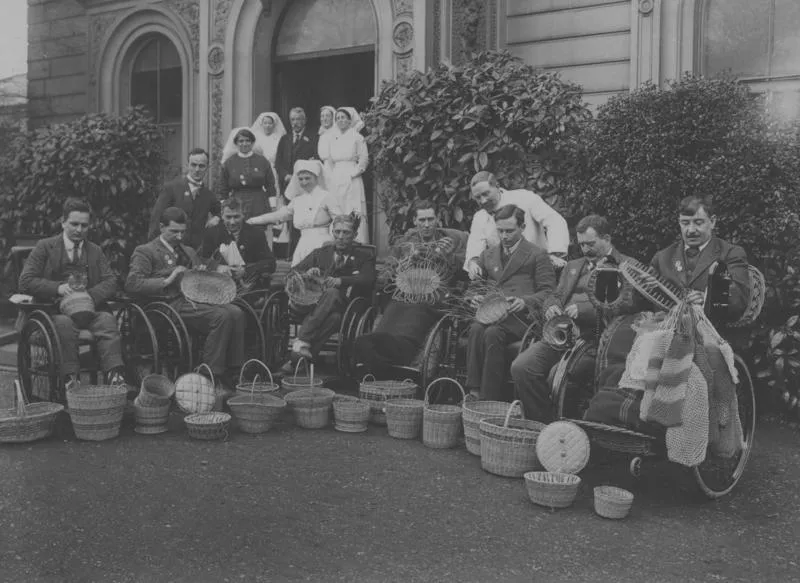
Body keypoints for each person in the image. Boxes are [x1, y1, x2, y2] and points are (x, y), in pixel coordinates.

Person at [511, 215, 638, 422]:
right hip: (562, 335)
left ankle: (564, 427)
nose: (585, 250)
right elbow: (556, 295)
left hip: (597, 340)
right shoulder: (574, 265)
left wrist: (584, 310)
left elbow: (628, 304)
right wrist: (551, 306)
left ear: (607, 238)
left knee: (560, 377)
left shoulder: (627, 266)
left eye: (591, 243)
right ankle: (543, 423)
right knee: (522, 367)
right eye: (581, 244)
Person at [127, 207, 245, 391]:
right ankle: (210, 375)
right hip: (167, 304)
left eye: (182, 232)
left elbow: (198, 276)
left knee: (236, 312)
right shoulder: (146, 251)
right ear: (161, 227)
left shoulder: (188, 251)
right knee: (221, 316)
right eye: (174, 231)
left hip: (192, 300)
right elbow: (133, 284)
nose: (180, 237)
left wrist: (208, 271)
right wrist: (167, 280)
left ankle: (234, 369)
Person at [352, 201, 468, 378]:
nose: (427, 225)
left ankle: (395, 356)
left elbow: (465, 273)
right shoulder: (405, 244)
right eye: (422, 220)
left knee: (410, 321)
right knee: (372, 336)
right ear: (415, 220)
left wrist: (450, 256)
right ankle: (383, 356)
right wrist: (403, 264)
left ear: (438, 219)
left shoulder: (450, 242)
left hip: (430, 300)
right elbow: (385, 273)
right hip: (402, 297)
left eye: (431, 219)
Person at [19, 198, 126, 389]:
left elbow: (110, 281)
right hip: (53, 311)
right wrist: (57, 288)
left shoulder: (95, 251)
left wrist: (88, 297)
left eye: (84, 225)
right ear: (63, 223)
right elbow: (25, 281)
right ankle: (71, 378)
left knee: (107, 321)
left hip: (88, 310)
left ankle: (114, 375)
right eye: (74, 224)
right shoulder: (45, 247)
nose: (79, 229)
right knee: (65, 324)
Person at [465, 205, 556, 401]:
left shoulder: (537, 254)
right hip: (492, 314)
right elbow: (474, 287)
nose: (504, 236)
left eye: (509, 230)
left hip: (521, 318)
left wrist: (525, 301)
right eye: (500, 230)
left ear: (522, 227)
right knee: (475, 329)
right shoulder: (488, 255)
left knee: (492, 332)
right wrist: (474, 297)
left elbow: (548, 292)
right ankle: (473, 391)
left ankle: (489, 398)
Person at [283, 213, 375, 371]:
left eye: (346, 233)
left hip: (348, 306)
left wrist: (342, 281)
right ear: (332, 232)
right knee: (334, 319)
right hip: (317, 307)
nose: (340, 236)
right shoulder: (321, 253)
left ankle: (302, 340)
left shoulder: (364, 256)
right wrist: (307, 274)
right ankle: (303, 360)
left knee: (332, 293)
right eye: (337, 232)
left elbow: (368, 278)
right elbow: (293, 272)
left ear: (354, 235)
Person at [649, 194, 750, 321]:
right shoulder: (662, 257)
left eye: (698, 222)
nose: (691, 230)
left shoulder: (730, 253)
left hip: (713, 333)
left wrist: (707, 297)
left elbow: (740, 299)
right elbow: (642, 304)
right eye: (685, 223)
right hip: (667, 334)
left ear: (712, 222)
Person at [464, 171, 569, 277]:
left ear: (497, 186)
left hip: (541, 268)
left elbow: (554, 220)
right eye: (478, 197)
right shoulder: (479, 217)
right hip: (508, 277)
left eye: (486, 194)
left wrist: (555, 254)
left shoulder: (524, 198)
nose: (483, 201)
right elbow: (475, 246)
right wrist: (473, 263)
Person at [247, 160, 343, 266]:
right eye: (301, 179)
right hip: (303, 244)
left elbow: (339, 220)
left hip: (323, 243)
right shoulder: (298, 200)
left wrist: (334, 241)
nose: (304, 182)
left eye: (307, 178)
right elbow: (279, 216)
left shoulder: (326, 197)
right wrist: (252, 220)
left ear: (316, 177)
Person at [148, 148, 219, 250]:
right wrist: (154, 249)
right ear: (187, 165)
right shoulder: (171, 188)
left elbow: (222, 211)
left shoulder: (208, 194)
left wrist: (216, 218)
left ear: (207, 168)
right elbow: (156, 219)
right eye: (193, 165)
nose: (197, 170)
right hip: (171, 247)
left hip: (196, 252)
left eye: (201, 166)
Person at [200, 197, 276, 290]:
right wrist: (217, 267)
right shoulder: (212, 233)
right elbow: (203, 260)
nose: (232, 222)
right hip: (219, 287)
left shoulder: (256, 234)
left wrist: (245, 271)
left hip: (248, 289)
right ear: (221, 215)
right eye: (228, 217)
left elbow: (270, 263)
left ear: (243, 215)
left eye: (236, 217)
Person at [320, 107, 370, 244]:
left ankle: (357, 242)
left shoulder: (357, 137)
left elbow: (364, 160)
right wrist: (331, 176)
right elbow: (329, 160)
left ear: (350, 120)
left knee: (352, 208)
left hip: (351, 177)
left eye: (343, 118)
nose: (340, 120)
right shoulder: (333, 138)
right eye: (338, 118)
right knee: (337, 209)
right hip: (336, 177)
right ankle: (337, 242)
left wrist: (353, 173)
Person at [220, 128, 276, 225]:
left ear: (253, 142)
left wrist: (273, 205)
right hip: (236, 203)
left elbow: (270, 184)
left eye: (247, 141)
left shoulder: (262, 161)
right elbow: (223, 187)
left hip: (259, 202)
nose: (244, 144)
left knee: (258, 231)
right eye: (241, 141)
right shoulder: (229, 162)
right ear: (236, 143)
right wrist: (224, 206)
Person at [275, 107, 318, 197]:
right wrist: (285, 175)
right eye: (292, 119)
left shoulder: (314, 138)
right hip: (287, 183)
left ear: (304, 120)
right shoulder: (285, 139)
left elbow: (316, 160)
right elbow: (278, 162)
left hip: (305, 183)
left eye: (298, 119)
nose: (295, 122)